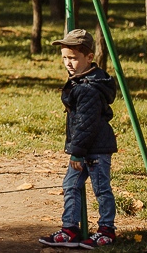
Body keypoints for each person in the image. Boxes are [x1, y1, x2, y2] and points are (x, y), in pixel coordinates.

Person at [39, 29, 118, 249]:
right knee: (70, 185)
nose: (68, 63)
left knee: (101, 188)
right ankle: (70, 229)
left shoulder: (88, 88)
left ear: (89, 57)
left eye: (73, 58)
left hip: (95, 149)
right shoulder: (80, 81)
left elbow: (86, 124)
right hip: (83, 148)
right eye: (64, 58)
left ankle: (107, 230)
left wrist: (77, 152)